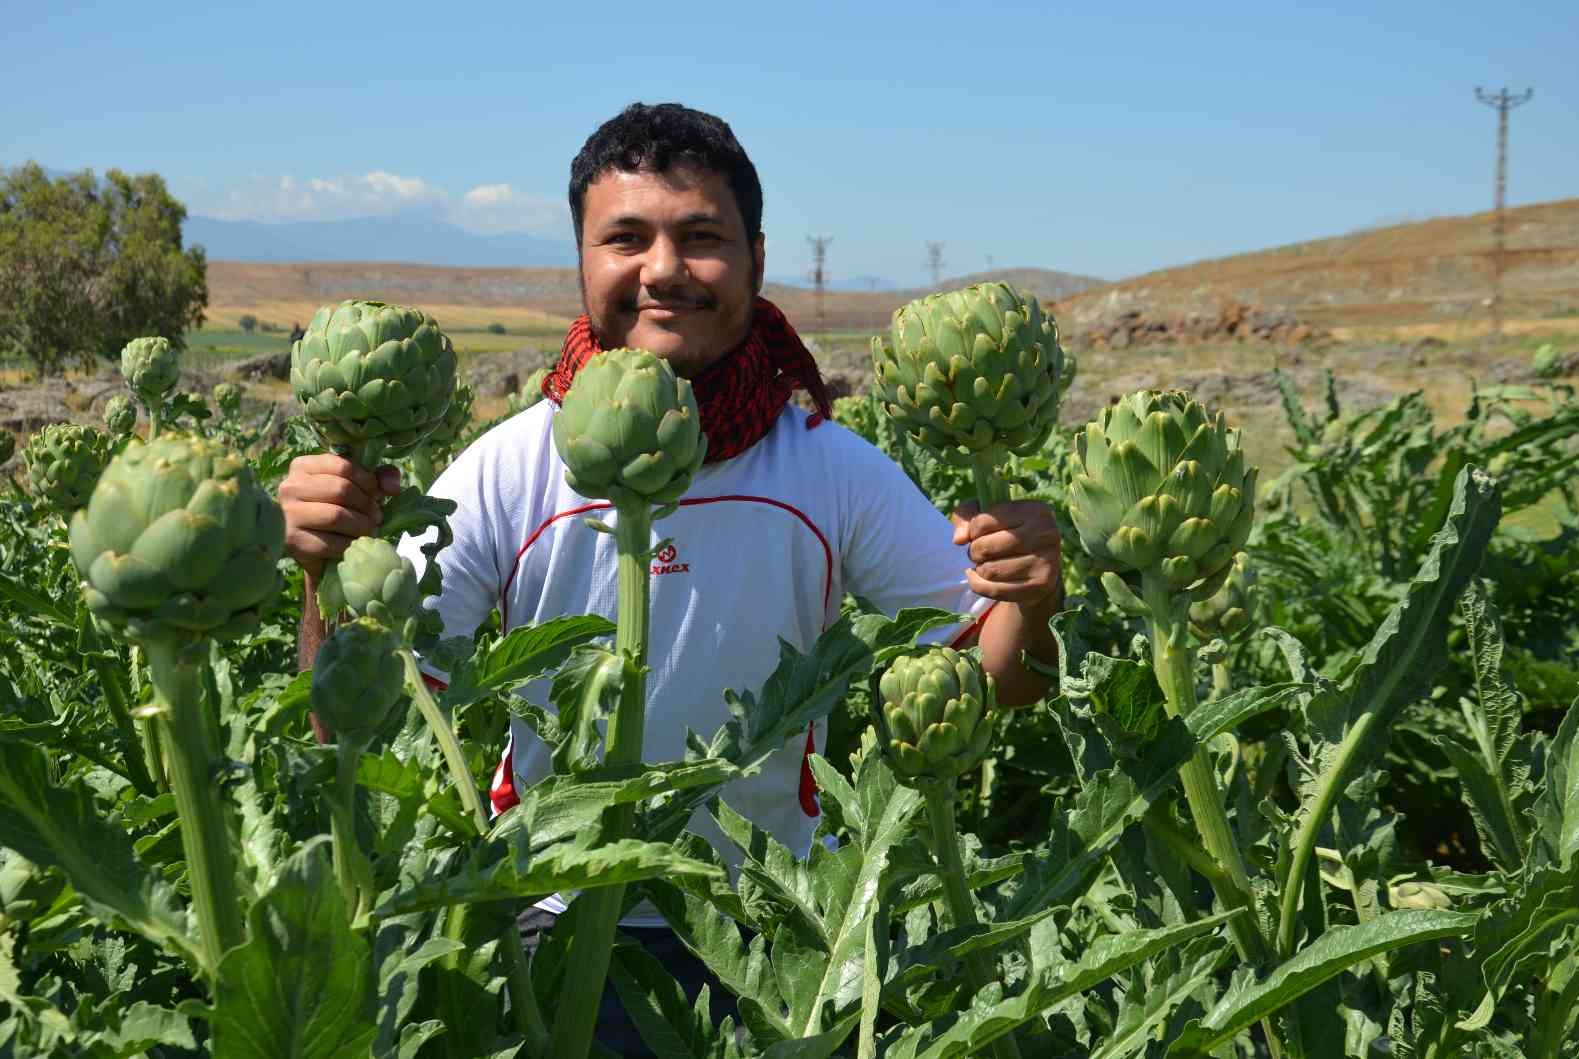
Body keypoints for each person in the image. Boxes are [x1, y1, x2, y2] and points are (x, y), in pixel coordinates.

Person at [277, 101, 1062, 1056]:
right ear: (581, 259)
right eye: (625, 238)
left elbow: (998, 678)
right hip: (541, 931)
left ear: (757, 261)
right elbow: (351, 724)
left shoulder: (828, 467)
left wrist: (1030, 596)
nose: (662, 270)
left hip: (769, 938)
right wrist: (323, 576)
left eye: (700, 238)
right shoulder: (508, 468)